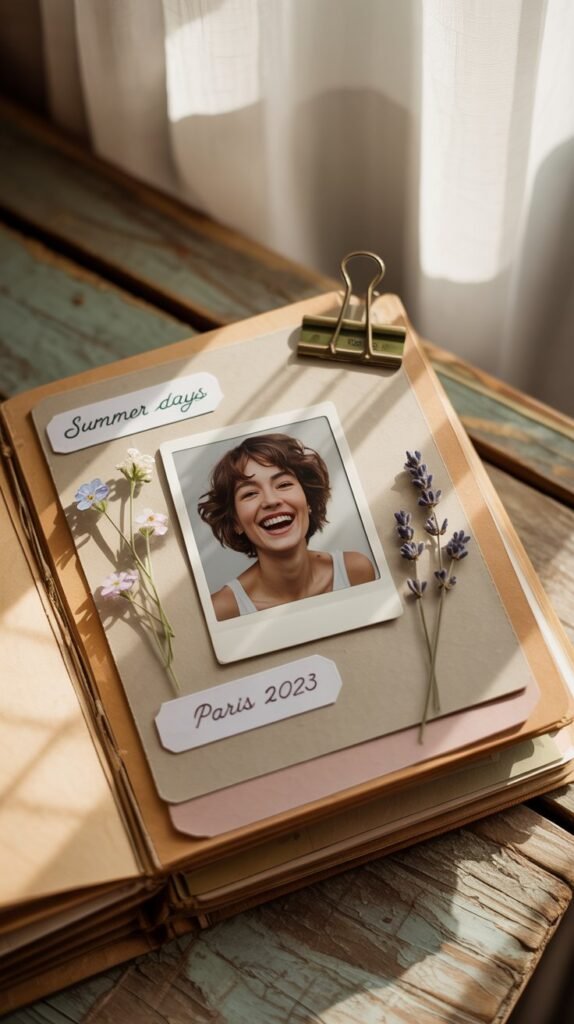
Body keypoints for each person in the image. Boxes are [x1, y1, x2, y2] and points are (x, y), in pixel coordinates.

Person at [197, 433, 376, 620]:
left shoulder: (355, 571)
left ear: (308, 501)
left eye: (283, 484)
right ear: (236, 522)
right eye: (250, 493)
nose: (271, 501)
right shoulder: (222, 610)